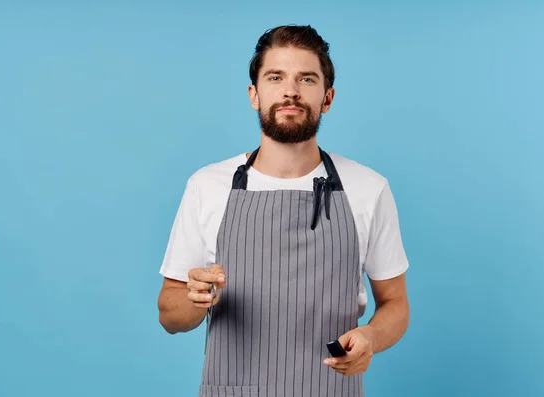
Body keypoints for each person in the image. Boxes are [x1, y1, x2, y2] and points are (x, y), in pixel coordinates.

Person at [157, 24, 410, 397]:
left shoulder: (368, 188)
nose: (290, 91)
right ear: (254, 94)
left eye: (306, 79)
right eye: (275, 77)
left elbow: (396, 304)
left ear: (327, 98)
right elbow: (170, 314)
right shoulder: (207, 185)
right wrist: (195, 300)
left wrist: (371, 335)